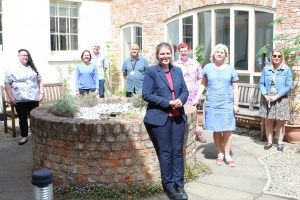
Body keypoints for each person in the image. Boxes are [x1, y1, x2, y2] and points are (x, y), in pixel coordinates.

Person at [143, 42, 189, 200]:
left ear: (171, 55)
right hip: (160, 119)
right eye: (162, 54)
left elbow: (184, 90)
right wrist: (168, 102)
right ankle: (169, 187)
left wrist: (180, 101)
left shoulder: (178, 71)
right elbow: (146, 94)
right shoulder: (151, 72)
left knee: (177, 152)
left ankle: (180, 186)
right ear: (157, 55)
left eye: (167, 53)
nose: (165, 56)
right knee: (166, 153)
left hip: (178, 118)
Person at [193, 44, 239, 167]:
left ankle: (227, 155)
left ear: (225, 55)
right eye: (217, 52)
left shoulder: (230, 69)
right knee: (217, 129)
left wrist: (236, 104)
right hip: (212, 103)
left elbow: (235, 87)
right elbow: (202, 84)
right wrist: (197, 98)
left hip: (226, 103)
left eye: (222, 52)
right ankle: (220, 154)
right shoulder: (207, 68)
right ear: (213, 54)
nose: (219, 54)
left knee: (227, 130)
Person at [4, 49, 44, 145]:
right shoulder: (12, 69)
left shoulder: (33, 68)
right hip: (20, 98)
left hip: (33, 97)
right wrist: (10, 97)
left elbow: (40, 80)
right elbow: (7, 84)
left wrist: (41, 93)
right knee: (22, 118)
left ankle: (36, 135)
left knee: (34, 117)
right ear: (18, 56)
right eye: (23, 55)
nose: (25, 57)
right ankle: (24, 136)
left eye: (27, 55)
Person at [259, 49, 292, 151]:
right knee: (268, 121)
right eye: (274, 56)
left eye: (279, 56)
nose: (276, 58)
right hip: (267, 98)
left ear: (282, 57)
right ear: (271, 57)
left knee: (280, 122)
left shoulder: (286, 69)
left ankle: (280, 143)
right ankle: (269, 142)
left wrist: (277, 96)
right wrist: (265, 95)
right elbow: (261, 84)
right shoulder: (266, 69)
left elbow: (288, 86)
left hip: (280, 98)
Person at [174, 42, 207, 143]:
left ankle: (197, 134)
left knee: (194, 114)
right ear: (179, 52)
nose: (183, 53)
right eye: (181, 51)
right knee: (180, 113)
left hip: (192, 94)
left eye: (185, 51)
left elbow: (200, 78)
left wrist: (197, 90)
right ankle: (182, 134)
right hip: (180, 94)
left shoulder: (195, 64)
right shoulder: (175, 64)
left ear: (188, 51)